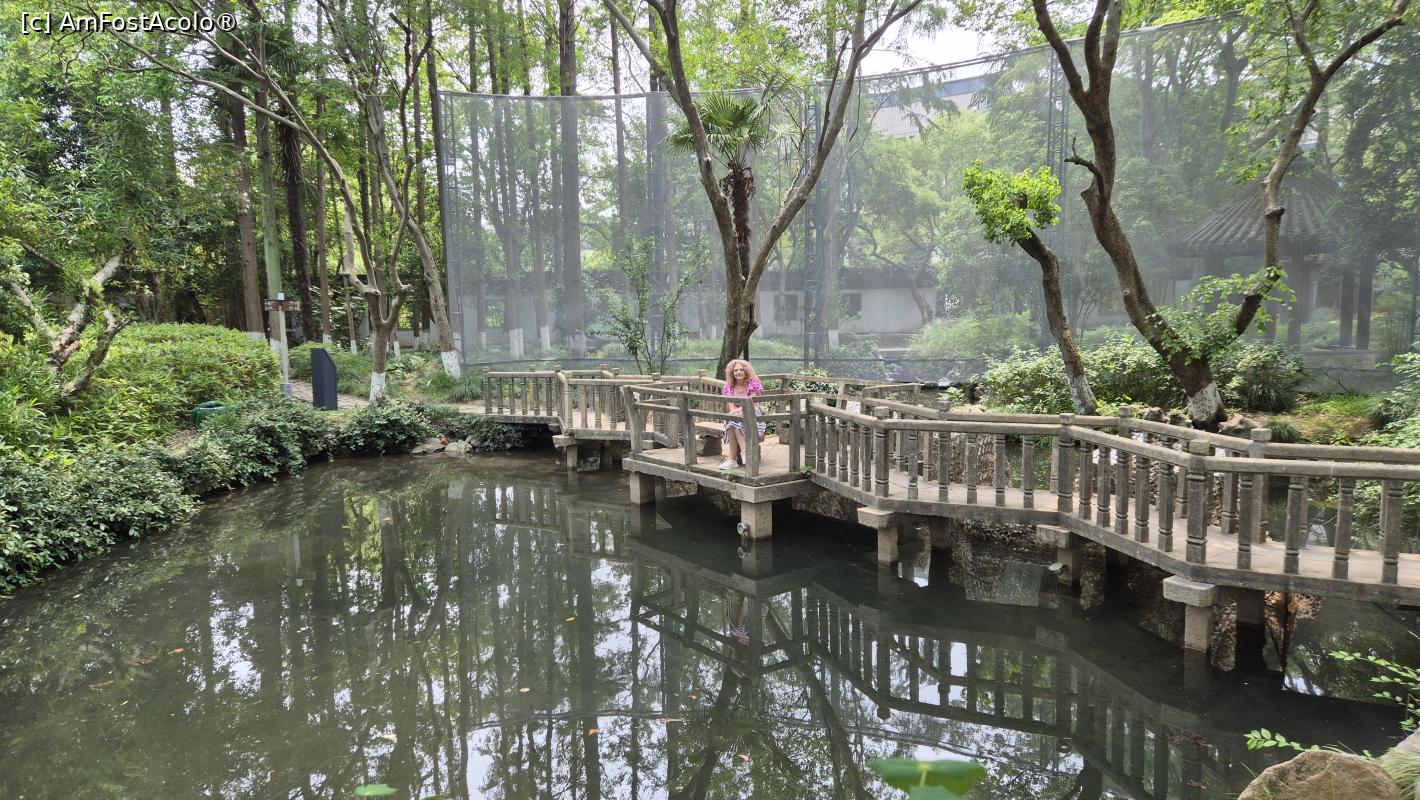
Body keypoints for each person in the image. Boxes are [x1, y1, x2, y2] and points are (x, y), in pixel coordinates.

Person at [720, 359, 766, 470]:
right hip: (737, 416)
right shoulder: (729, 387)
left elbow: (751, 404)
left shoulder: (753, 384)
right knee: (733, 422)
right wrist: (736, 413)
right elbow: (731, 408)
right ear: (732, 373)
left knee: (732, 422)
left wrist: (737, 412)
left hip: (753, 416)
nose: (738, 372)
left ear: (746, 371)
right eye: (736, 370)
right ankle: (743, 453)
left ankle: (733, 459)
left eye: (741, 370)